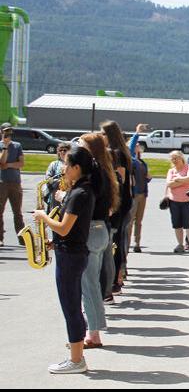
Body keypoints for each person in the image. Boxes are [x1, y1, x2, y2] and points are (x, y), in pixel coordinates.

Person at [34, 146, 97, 374]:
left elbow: (63, 227)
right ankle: (76, 354)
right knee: (72, 306)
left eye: (67, 165)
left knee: (71, 307)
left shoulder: (80, 193)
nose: (64, 168)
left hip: (71, 256)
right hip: (70, 251)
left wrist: (42, 216)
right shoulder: (81, 190)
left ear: (77, 168)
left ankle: (76, 360)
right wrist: (54, 243)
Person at [75, 134, 117, 345]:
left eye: (81, 145)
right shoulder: (105, 170)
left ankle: (93, 334)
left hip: (91, 230)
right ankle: (95, 330)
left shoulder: (93, 172)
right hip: (101, 229)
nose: (78, 148)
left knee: (88, 286)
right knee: (92, 284)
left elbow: (86, 202)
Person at [101, 121, 134, 296]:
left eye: (103, 134)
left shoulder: (116, 153)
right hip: (123, 201)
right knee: (117, 240)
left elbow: (120, 180)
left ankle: (115, 280)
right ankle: (116, 278)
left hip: (118, 202)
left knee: (114, 241)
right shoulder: (122, 152)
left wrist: (114, 203)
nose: (101, 137)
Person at [165, 151, 189, 253]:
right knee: (177, 224)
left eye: (176, 158)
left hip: (188, 201)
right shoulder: (171, 171)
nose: (174, 160)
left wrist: (177, 180)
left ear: (181, 158)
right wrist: (182, 181)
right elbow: (169, 184)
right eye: (172, 159)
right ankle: (180, 244)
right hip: (174, 201)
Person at [0, 123, 25, 246]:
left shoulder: (17, 145)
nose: (8, 135)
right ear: (1, 132)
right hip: (2, 183)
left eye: (9, 133)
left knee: (17, 212)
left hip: (15, 182)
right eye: (5, 132)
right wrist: (4, 147)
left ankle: (22, 238)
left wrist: (9, 165)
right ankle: (0, 238)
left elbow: (21, 163)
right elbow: (1, 162)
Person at [127, 135, 151, 253]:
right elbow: (130, 148)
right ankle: (127, 242)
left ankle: (137, 243)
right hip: (134, 194)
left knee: (139, 221)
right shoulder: (130, 159)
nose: (138, 146)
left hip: (143, 193)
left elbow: (145, 177)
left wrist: (148, 177)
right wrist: (136, 134)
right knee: (130, 220)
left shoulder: (141, 161)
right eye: (136, 144)